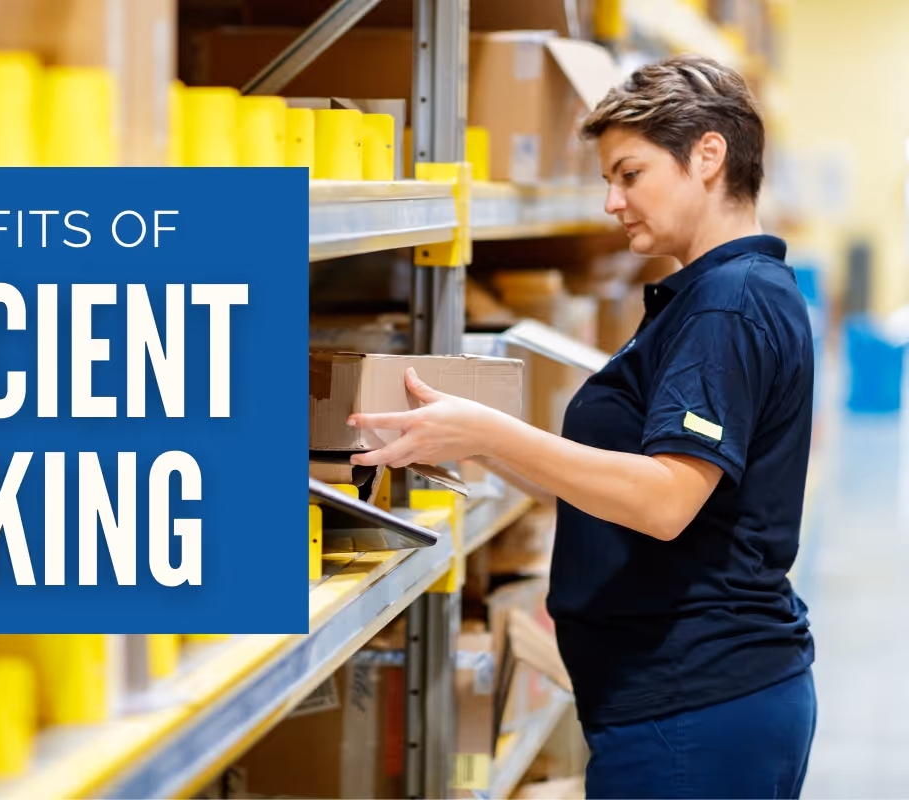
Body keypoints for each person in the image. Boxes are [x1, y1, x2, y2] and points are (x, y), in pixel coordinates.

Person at [349, 55, 816, 799]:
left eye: (628, 174)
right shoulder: (713, 296)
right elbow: (607, 474)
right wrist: (469, 438)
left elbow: (666, 501)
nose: (611, 202)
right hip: (680, 701)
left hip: (693, 707)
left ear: (707, 154)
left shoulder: (727, 305)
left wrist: (495, 434)